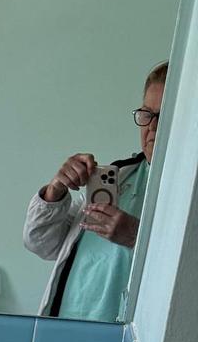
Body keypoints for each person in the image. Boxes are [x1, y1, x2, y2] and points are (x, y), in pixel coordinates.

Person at [24, 62, 166, 320]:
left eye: (165, 114)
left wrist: (137, 237)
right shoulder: (114, 177)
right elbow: (41, 244)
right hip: (65, 332)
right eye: (147, 114)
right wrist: (56, 190)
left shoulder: (185, 196)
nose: (152, 127)